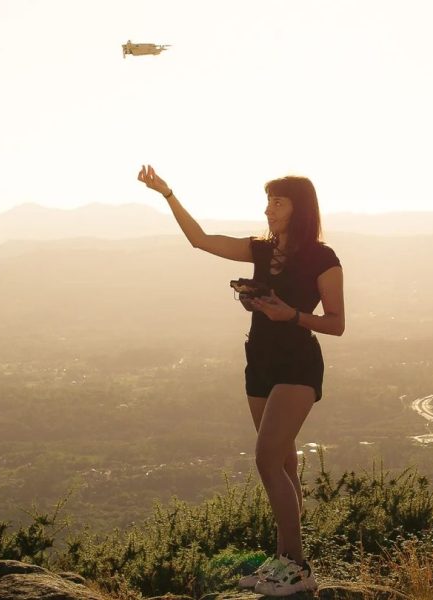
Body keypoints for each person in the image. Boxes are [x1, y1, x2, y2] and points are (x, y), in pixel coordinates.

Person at [137, 164, 345, 595]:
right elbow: (200, 241)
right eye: (267, 201)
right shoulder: (262, 250)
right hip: (260, 362)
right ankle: (283, 560)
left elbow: (337, 322)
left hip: (297, 364)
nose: (268, 209)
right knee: (284, 466)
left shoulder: (322, 258)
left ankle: (299, 566)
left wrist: (288, 313)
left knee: (266, 460)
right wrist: (167, 193)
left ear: (299, 208)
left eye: (278, 202)